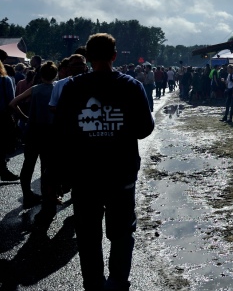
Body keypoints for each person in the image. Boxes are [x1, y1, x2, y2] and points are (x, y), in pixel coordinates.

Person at [54, 33, 155, 290]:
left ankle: (93, 283)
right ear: (114, 55)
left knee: (88, 234)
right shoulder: (131, 86)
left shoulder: (73, 87)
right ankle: (118, 282)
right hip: (121, 172)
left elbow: (61, 130)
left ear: (87, 57)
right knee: (121, 233)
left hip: (84, 174)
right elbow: (144, 129)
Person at [9, 61, 58, 208]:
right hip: (50, 132)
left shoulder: (35, 89)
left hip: (33, 130)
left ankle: (27, 194)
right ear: (55, 75)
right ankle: (47, 195)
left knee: (28, 164)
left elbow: (13, 103)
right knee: (47, 165)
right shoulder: (57, 90)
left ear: (40, 74)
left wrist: (25, 118)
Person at [1, 59, 20, 182]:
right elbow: (12, 101)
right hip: (2, 116)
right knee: (2, 145)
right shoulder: (5, 80)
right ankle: (3, 170)